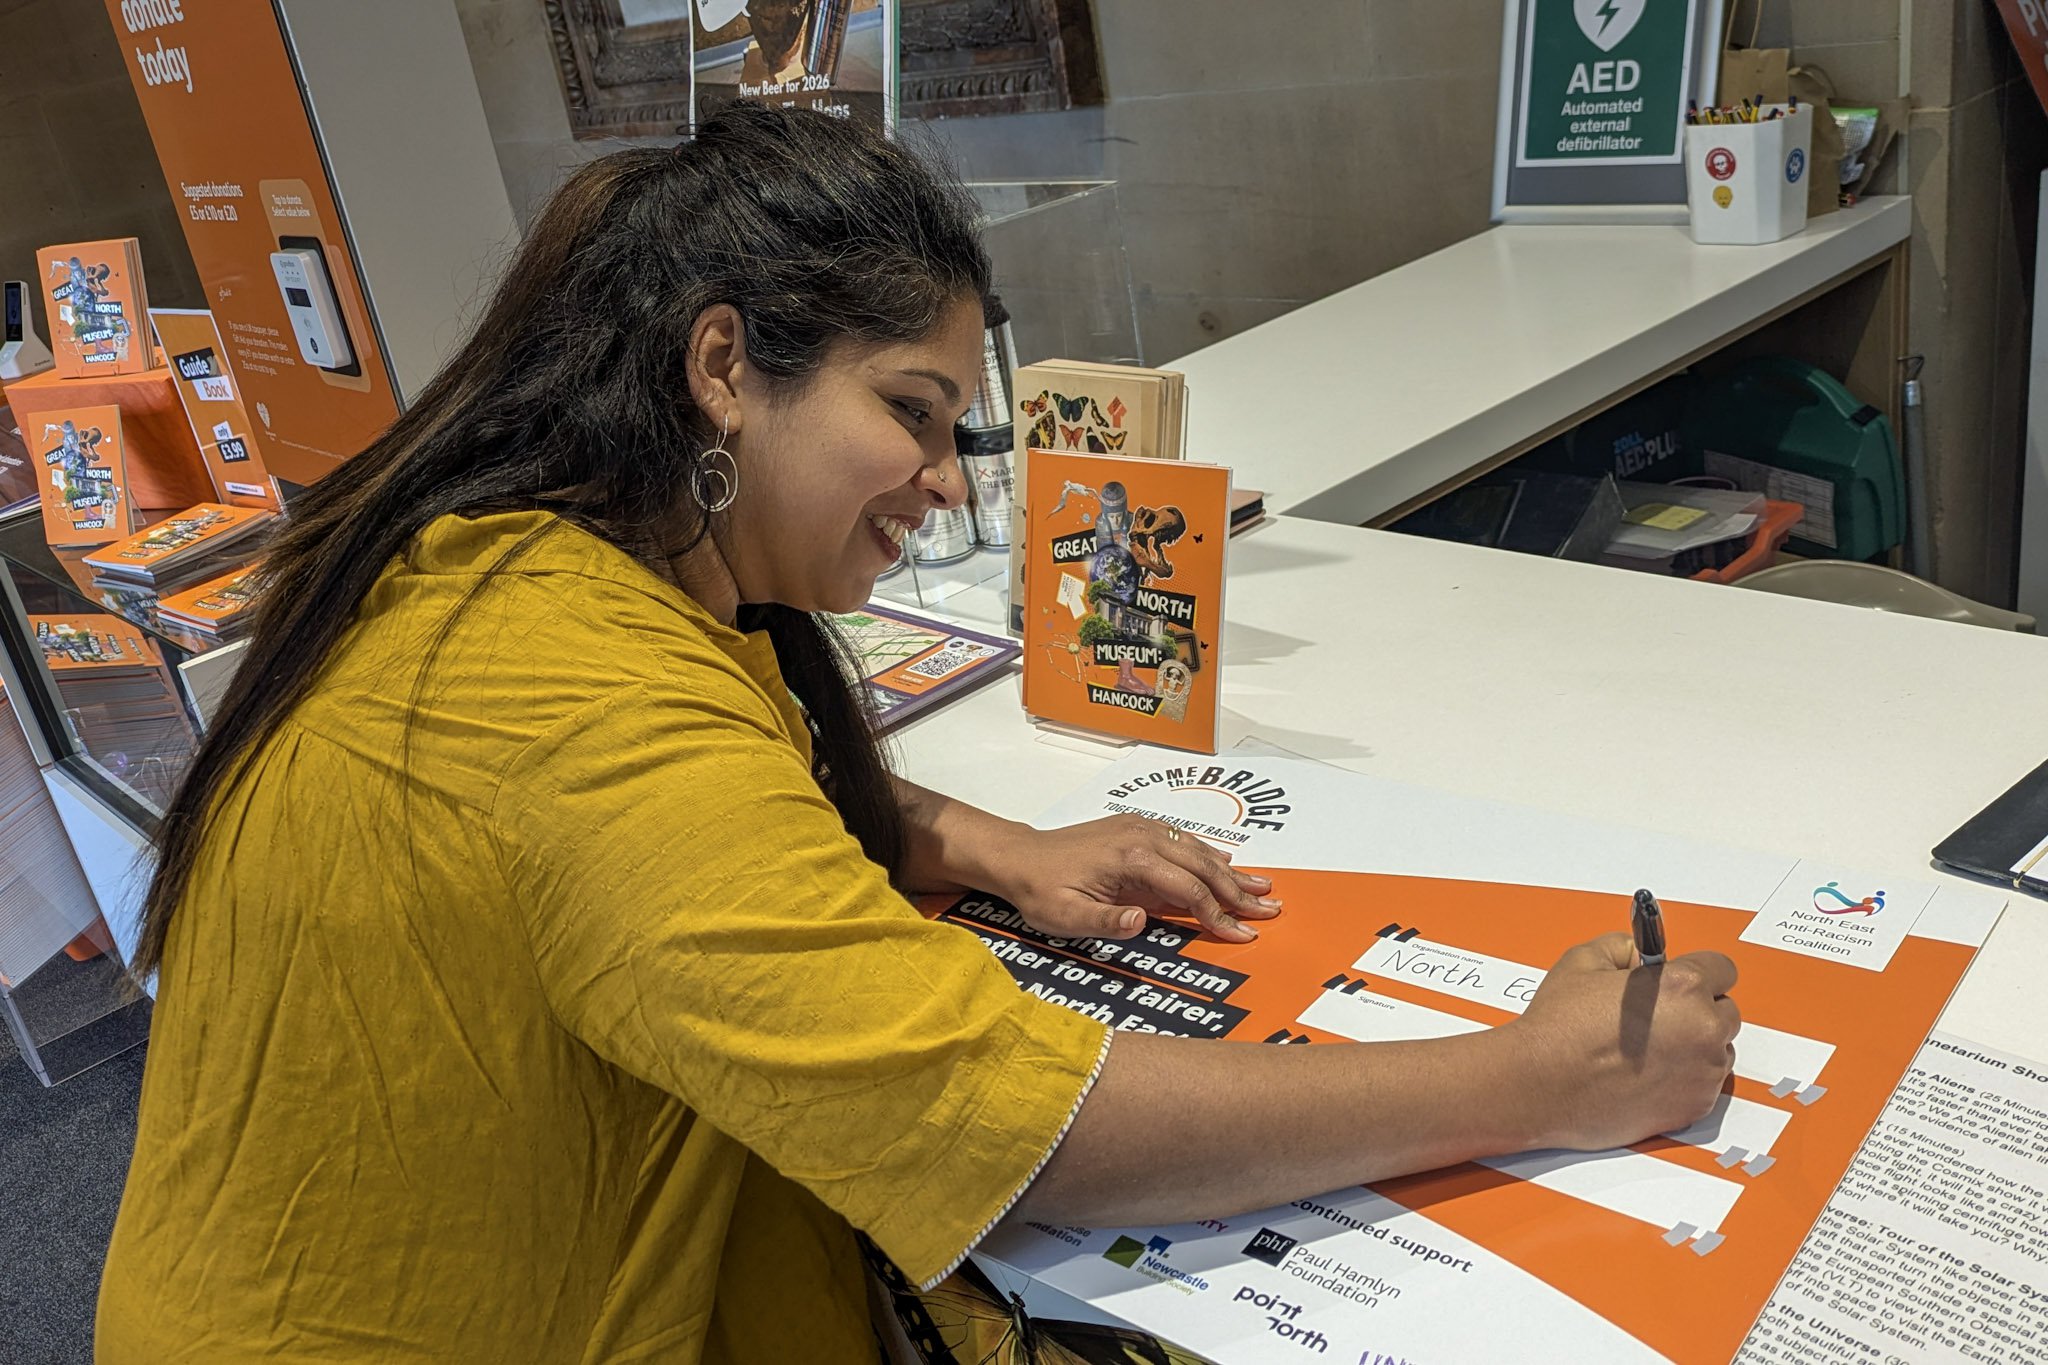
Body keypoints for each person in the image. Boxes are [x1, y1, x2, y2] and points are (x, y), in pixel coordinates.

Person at [96, 105, 1740, 1363]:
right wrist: (1543, 1075)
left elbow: (669, 813)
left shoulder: (523, 572)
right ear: (724, 366)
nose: (946, 481)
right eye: (909, 410)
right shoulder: (570, 701)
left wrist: (972, 840)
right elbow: (1027, 1134)